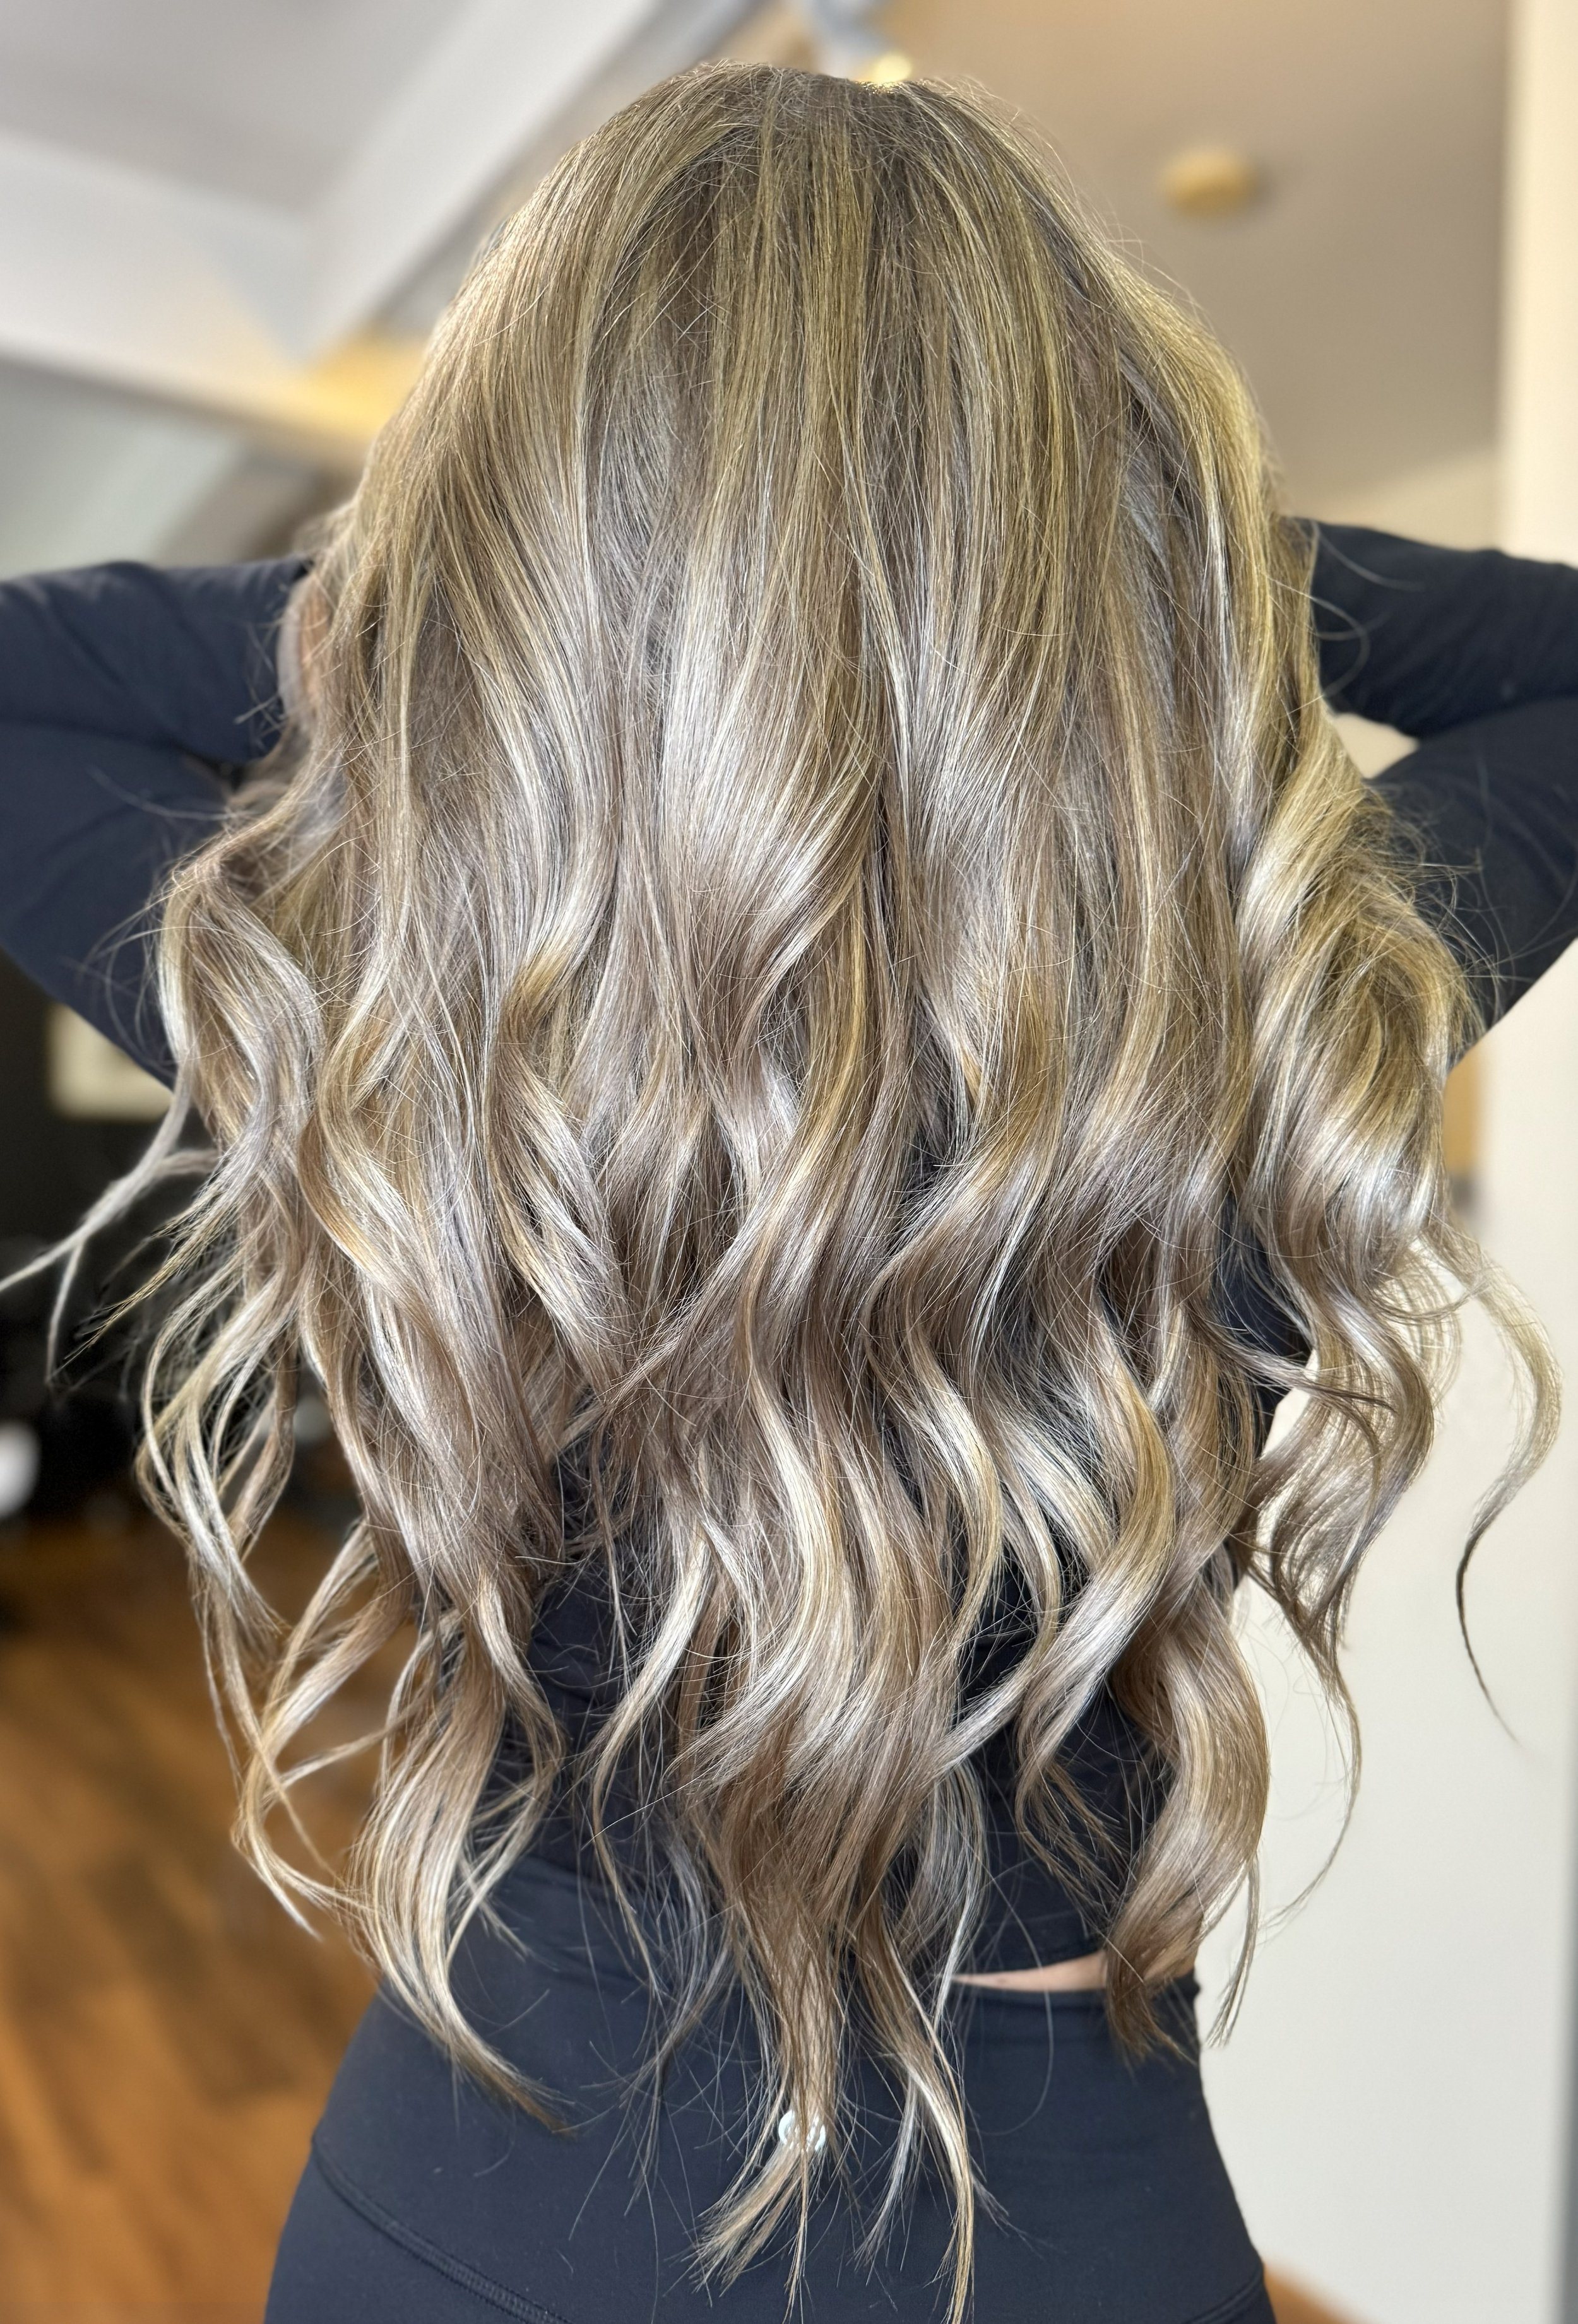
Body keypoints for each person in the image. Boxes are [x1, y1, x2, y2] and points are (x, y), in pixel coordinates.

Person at [0, 61, 1574, 2324]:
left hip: (465, 2234)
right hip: (1066, 2247)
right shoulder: (1228, 1045)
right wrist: (1135, 583)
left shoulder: (397, 1027)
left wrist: (495, 600)